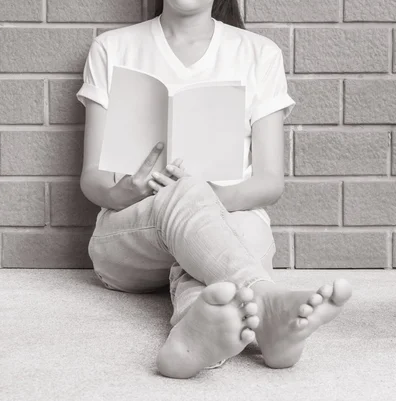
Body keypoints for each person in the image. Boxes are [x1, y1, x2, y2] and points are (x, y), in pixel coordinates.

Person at [77, 0, 353, 379]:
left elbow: (270, 182)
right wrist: (126, 192)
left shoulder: (259, 53)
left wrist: (202, 202)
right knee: (193, 200)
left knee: (237, 233)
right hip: (132, 237)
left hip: (227, 226)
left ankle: (193, 338)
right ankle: (266, 301)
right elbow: (91, 178)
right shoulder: (112, 48)